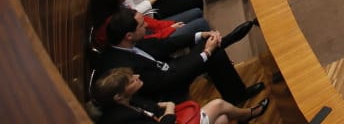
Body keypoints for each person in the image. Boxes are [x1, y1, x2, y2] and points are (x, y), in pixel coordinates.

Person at [97, 10, 262, 106]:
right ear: (129, 35)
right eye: (142, 25)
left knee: (211, 48)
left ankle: (238, 97)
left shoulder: (127, 43)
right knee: (211, 53)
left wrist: (198, 35)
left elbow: (163, 44)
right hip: (165, 92)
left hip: (168, 71)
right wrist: (206, 53)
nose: (147, 26)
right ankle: (237, 97)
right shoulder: (124, 67)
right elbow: (168, 81)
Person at [91, 67, 268, 124]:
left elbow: (152, 108)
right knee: (218, 105)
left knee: (221, 119)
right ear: (118, 96)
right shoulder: (123, 119)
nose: (137, 77)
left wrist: (166, 109)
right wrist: (169, 107)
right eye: (131, 81)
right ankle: (249, 114)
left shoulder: (129, 100)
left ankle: (245, 115)